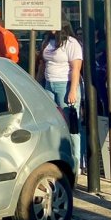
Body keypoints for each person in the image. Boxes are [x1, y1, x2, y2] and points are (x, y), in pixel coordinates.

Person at [39, 16, 83, 173]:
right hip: (48, 84)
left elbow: (76, 68)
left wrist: (72, 90)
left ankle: (76, 161)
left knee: (71, 123)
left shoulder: (71, 43)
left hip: (65, 84)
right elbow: (42, 64)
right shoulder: (47, 41)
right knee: (50, 121)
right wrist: (38, 84)